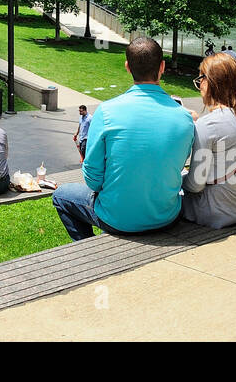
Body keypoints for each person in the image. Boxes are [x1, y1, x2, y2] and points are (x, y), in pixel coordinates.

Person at [51, 37, 195, 241]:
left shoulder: (106, 111)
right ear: (162, 66)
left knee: (61, 195)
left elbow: (92, 179)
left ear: (127, 67)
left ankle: (88, 248)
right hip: (167, 215)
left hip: (118, 219)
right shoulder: (185, 117)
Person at [182, 53, 236, 229]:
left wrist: (178, 178)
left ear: (210, 82)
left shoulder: (207, 125)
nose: (199, 85)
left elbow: (195, 185)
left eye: (201, 78)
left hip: (215, 212)